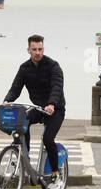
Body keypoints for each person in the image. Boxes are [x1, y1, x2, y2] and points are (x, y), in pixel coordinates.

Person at [4, 34, 65, 175]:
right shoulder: (24, 68)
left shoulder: (53, 66)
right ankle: (25, 157)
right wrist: (7, 101)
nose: (37, 52)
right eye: (34, 49)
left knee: (48, 139)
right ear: (28, 50)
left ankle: (55, 173)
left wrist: (51, 104)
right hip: (38, 108)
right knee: (22, 123)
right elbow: (15, 88)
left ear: (43, 49)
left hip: (55, 109)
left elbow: (57, 87)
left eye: (40, 49)